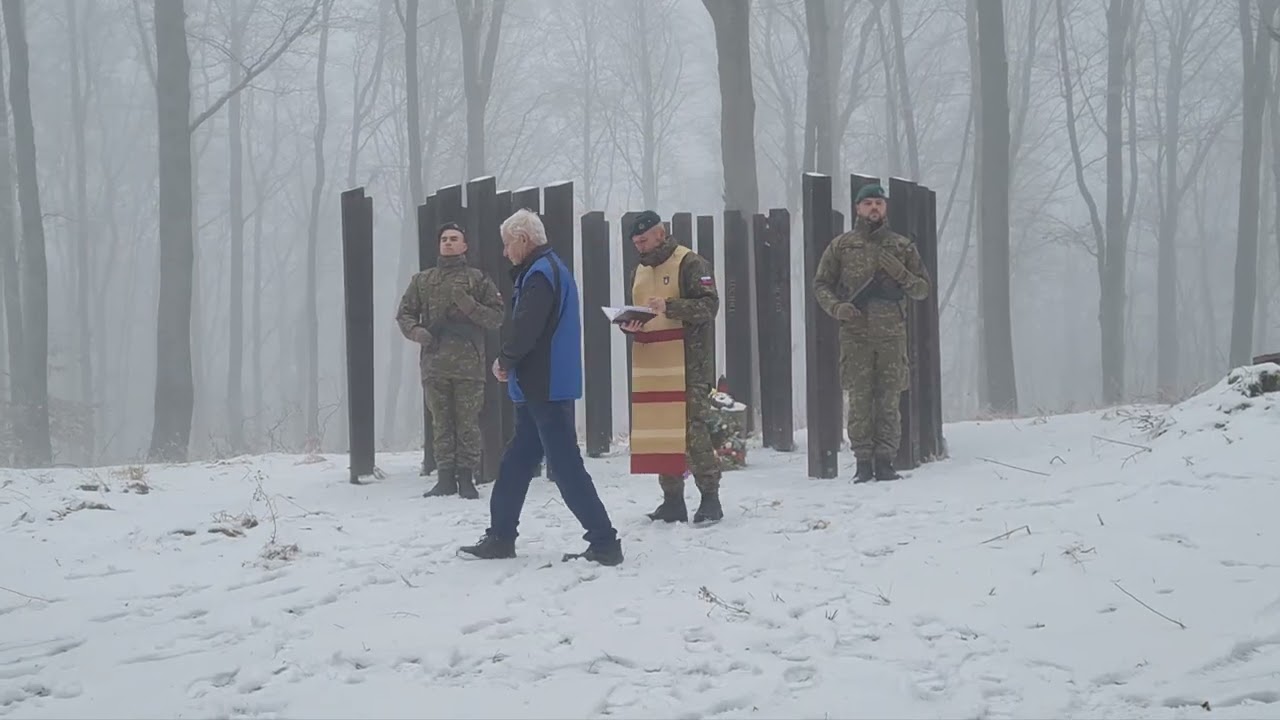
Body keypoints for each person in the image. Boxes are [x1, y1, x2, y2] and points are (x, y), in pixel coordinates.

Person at [458, 209, 623, 566]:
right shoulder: (549, 269)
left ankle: (605, 541)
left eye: (507, 245)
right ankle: (501, 536)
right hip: (543, 385)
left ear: (523, 239)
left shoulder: (540, 274)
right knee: (517, 461)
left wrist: (505, 360)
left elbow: (527, 327)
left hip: (545, 385)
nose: (505, 253)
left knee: (564, 466)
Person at [812, 183, 930, 482]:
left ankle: (886, 462)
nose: (874, 208)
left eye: (879, 202)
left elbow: (922, 289)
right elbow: (821, 284)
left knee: (889, 400)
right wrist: (837, 309)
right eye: (868, 204)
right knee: (860, 401)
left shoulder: (902, 246)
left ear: (885, 207)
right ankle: (863, 462)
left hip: (892, 336)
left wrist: (901, 274)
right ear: (857, 208)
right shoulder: (841, 246)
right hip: (856, 336)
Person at [619, 211, 723, 524]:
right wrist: (630, 325)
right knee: (660, 429)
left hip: (689, 363)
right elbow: (639, 311)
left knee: (694, 432)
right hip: (653, 362)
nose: (639, 247)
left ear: (661, 234)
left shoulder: (690, 262)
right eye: (636, 242)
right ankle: (672, 499)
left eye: (644, 240)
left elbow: (710, 305)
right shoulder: (638, 270)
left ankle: (710, 498)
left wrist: (672, 306)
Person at [395, 222, 505, 499]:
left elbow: (496, 317)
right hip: (434, 363)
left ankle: (466, 477)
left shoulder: (477, 280)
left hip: (469, 364)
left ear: (464, 246)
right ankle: (445, 477)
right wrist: (418, 333)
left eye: (454, 239)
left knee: (467, 422)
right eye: (444, 239)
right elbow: (405, 314)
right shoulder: (423, 280)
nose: (448, 243)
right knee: (440, 422)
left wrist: (467, 304)